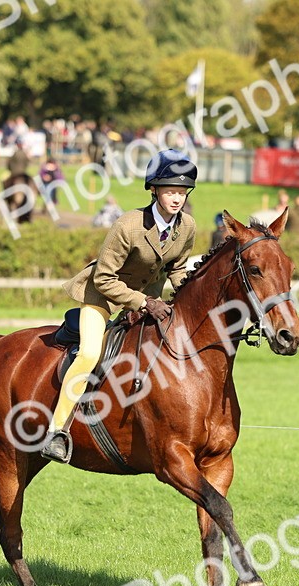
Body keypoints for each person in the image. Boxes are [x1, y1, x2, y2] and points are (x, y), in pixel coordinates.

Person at [40, 149, 199, 464]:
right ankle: (56, 431)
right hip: (103, 297)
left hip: (147, 302)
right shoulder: (128, 225)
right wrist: (144, 302)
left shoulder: (187, 226)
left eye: (182, 192)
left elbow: (178, 269)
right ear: (154, 189)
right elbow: (103, 279)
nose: (177, 198)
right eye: (170, 191)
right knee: (89, 354)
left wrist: (191, 299)